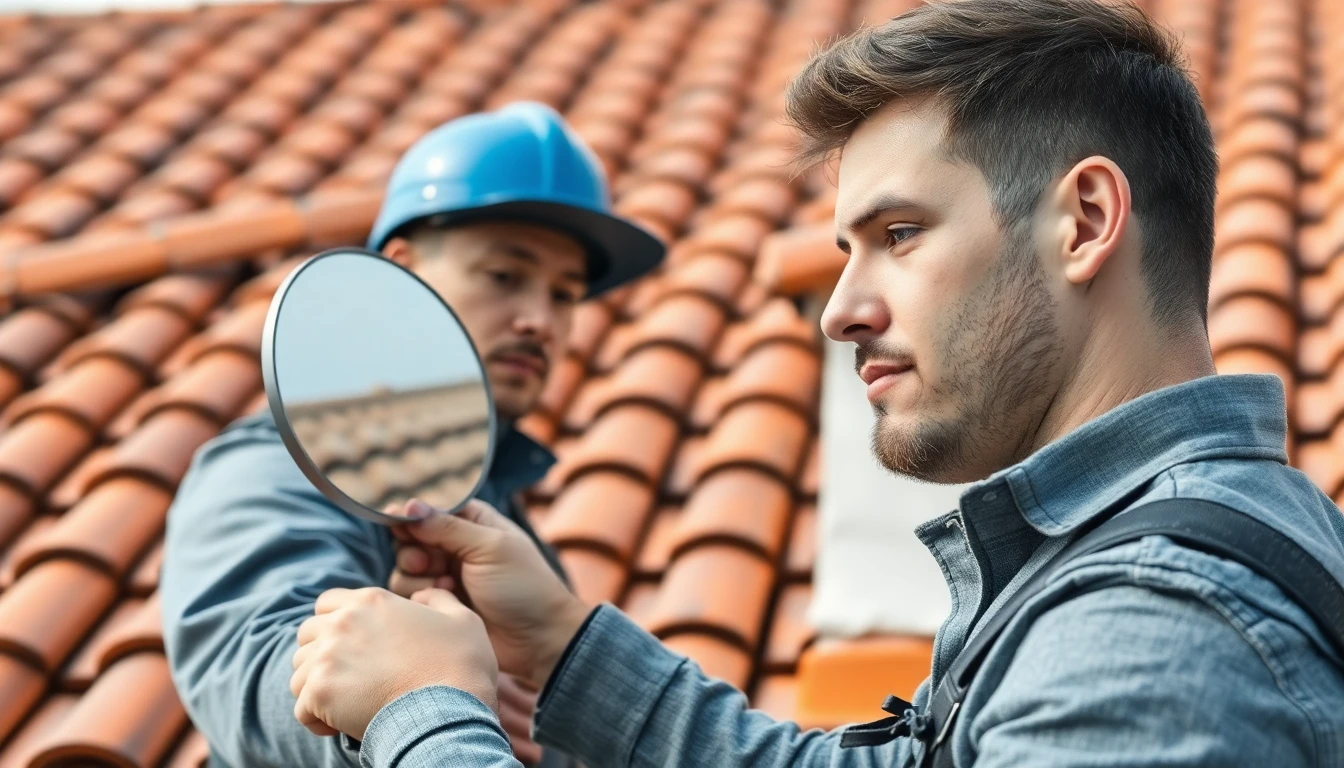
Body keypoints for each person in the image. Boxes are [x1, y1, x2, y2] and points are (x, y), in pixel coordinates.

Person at [286, 1, 1344, 766]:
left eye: (898, 234)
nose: (840, 309)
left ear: (1084, 222)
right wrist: (563, 650)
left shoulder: (1150, 630)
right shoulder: (1110, 571)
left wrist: (426, 714)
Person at [159, 101, 665, 768]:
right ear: (401, 270)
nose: (540, 320)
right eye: (505, 276)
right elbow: (252, 678)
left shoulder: (507, 527)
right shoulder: (273, 468)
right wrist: (416, 703)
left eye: (565, 294)